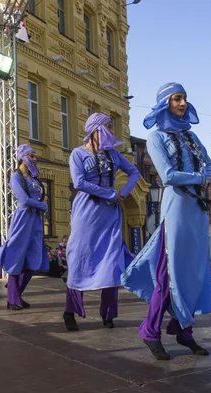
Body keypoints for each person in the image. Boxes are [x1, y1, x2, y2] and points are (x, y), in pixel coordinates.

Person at [122, 83, 211, 360]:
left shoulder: (192, 137)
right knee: (168, 275)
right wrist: (200, 178)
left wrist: (203, 175)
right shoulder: (156, 137)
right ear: (165, 103)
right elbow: (167, 175)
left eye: (185, 98)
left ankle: (183, 330)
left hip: (196, 209)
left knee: (194, 271)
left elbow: (208, 164)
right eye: (177, 98)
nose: (183, 103)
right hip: (175, 208)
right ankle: (150, 330)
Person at [64, 113, 140, 330]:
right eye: (108, 127)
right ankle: (70, 312)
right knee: (79, 259)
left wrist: (123, 192)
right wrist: (110, 195)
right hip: (86, 212)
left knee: (111, 261)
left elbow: (134, 172)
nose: (111, 132)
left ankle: (108, 314)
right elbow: (79, 183)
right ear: (95, 130)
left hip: (110, 213)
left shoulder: (113, 154)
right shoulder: (78, 154)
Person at [0, 144, 49, 310]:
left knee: (34, 259)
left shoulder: (34, 179)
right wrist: (41, 205)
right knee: (16, 256)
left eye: (35, 156)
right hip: (23, 218)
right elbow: (23, 200)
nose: (35, 159)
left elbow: (40, 199)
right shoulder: (15, 177)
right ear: (23, 158)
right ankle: (13, 298)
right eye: (32, 156)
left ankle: (15, 293)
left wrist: (40, 206)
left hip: (36, 220)